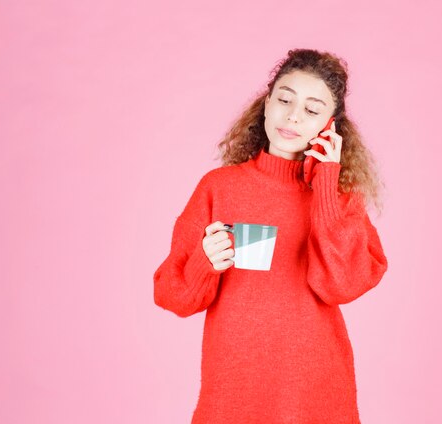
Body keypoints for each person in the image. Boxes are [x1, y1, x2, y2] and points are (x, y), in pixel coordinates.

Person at [153, 48, 388, 424]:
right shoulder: (220, 188)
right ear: (266, 105)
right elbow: (171, 295)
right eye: (284, 100)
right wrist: (204, 262)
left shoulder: (341, 199)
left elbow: (342, 286)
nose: (293, 116)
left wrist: (326, 182)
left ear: (330, 125)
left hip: (315, 385)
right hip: (234, 387)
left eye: (312, 110)